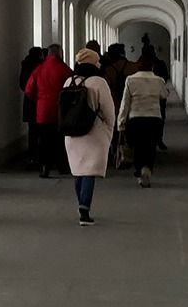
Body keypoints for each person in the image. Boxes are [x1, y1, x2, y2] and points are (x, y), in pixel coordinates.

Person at [62, 46, 117, 225]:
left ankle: (81, 205)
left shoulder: (69, 81)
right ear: (93, 62)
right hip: (94, 133)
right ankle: (84, 210)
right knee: (90, 172)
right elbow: (109, 110)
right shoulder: (98, 82)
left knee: (78, 170)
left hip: (71, 132)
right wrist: (109, 129)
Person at [119, 52, 170, 187]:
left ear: (138, 66)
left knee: (138, 146)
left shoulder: (130, 80)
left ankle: (139, 169)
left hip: (136, 118)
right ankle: (147, 168)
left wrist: (121, 121)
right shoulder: (159, 80)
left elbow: (125, 103)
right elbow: (164, 95)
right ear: (152, 67)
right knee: (151, 145)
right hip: (154, 118)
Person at [25, 42, 72, 178]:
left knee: (43, 141)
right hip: (60, 111)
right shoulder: (64, 69)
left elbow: (29, 90)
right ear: (59, 53)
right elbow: (72, 87)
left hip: (43, 111)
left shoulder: (39, 69)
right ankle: (62, 166)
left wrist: (39, 100)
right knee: (60, 140)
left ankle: (44, 167)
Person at [101, 44, 131, 168]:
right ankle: (128, 153)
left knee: (113, 131)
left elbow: (106, 88)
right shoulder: (131, 67)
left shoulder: (108, 70)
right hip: (130, 104)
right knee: (128, 129)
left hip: (114, 103)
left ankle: (115, 154)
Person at [18, 45, 44, 169]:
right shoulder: (40, 67)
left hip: (29, 102)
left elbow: (22, 85)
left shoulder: (25, 65)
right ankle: (41, 155)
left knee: (32, 130)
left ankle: (33, 157)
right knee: (42, 130)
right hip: (41, 101)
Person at [152, 46, 171, 150]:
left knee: (159, 119)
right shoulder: (161, 63)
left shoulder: (139, 65)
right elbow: (165, 76)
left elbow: (165, 76)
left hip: (151, 97)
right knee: (160, 119)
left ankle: (158, 140)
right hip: (159, 96)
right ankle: (159, 140)